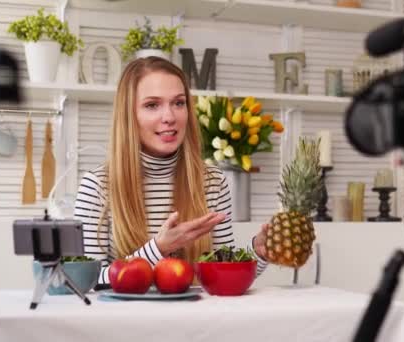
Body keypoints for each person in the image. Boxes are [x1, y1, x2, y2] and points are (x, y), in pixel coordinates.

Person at [73, 57, 269, 284]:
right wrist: (159, 248)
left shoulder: (213, 182)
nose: (169, 117)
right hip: (123, 319)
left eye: (178, 103)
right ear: (129, 115)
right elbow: (86, 282)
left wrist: (258, 252)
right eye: (152, 105)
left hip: (195, 319)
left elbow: (221, 276)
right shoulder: (97, 186)